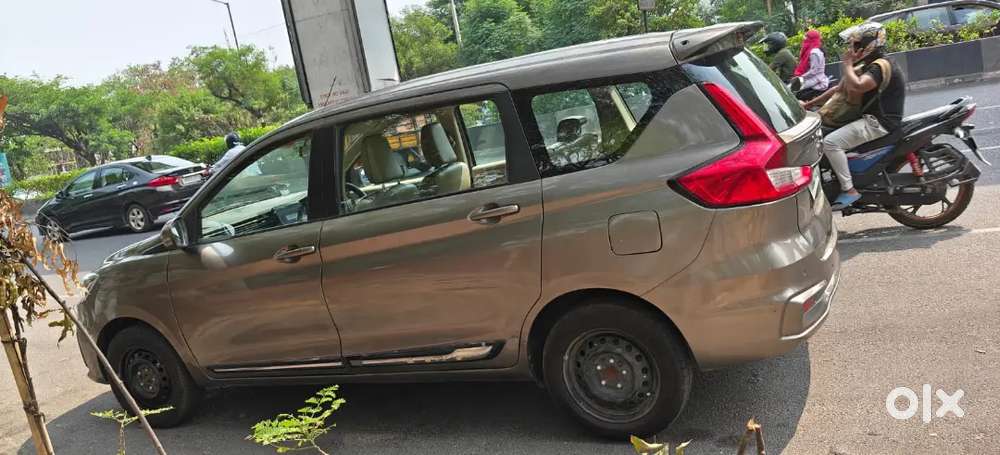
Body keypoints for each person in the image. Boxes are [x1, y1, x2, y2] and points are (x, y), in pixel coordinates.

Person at [802, 22, 905, 210]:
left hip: (878, 123)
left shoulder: (879, 66)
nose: (852, 48)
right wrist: (807, 105)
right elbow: (838, 89)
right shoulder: (868, 64)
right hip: (869, 118)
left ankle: (849, 190)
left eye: (856, 44)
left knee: (831, 143)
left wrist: (847, 64)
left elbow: (858, 85)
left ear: (870, 44)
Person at [793, 29, 830, 101]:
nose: (804, 39)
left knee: (791, 90)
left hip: (815, 79)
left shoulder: (814, 52)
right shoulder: (814, 50)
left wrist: (800, 77)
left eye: (807, 37)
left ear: (811, 39)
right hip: (812, 77)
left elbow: (814, 71)